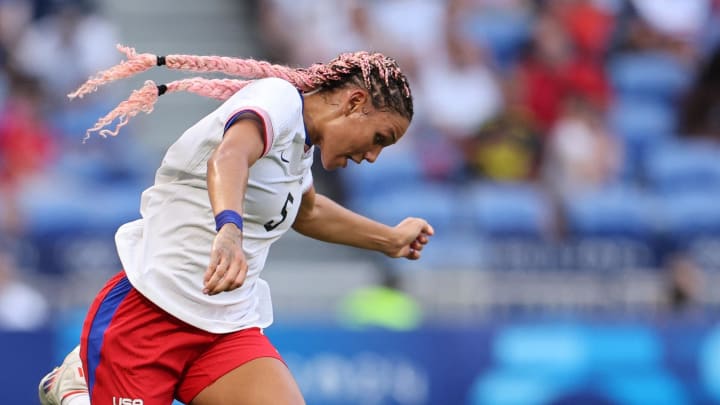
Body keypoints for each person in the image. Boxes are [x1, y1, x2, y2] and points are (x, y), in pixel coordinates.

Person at [38, 45, 433, 405]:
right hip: (150, 314)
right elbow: (229, 157)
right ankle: (77, 391)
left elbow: (307, 212)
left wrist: (389, 239)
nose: (374, 156)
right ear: (354, 102)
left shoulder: (299, 145)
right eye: (379, 137)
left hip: (225, 330)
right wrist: (229, 229)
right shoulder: (276, 98)